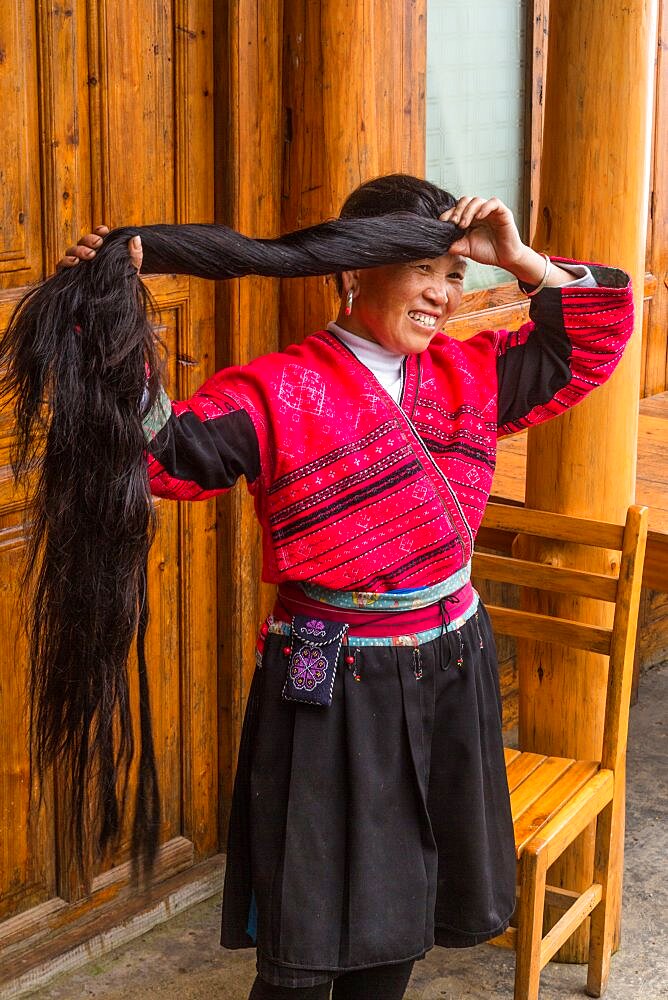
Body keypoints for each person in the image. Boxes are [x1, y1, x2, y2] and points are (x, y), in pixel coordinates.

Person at [62, 175, 633, 1000]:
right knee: (306, 937)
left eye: (455, 274)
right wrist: (102, 313)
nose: (442, 293)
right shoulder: (275, 391)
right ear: (351, 271)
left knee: (396, 930)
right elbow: (165, 458)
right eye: (421, 268)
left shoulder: (472, 375)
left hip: (451, 667)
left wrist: (520, 260)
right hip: (333, 682)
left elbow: (591, 345)